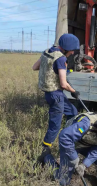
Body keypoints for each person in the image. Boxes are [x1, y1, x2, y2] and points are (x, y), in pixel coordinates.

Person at [32, 34, 81, 164]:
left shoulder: (47, 52)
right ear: (66, 48)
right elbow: (64, 84)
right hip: (56, 95)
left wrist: (49, 70)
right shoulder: (61, 59)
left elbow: (35, 67)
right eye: (72, 50)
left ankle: (67, 137)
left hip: (49, 93)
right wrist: (74, 92)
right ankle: (45, 149)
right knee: (55, 125)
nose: (72, 53)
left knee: (73, 112)